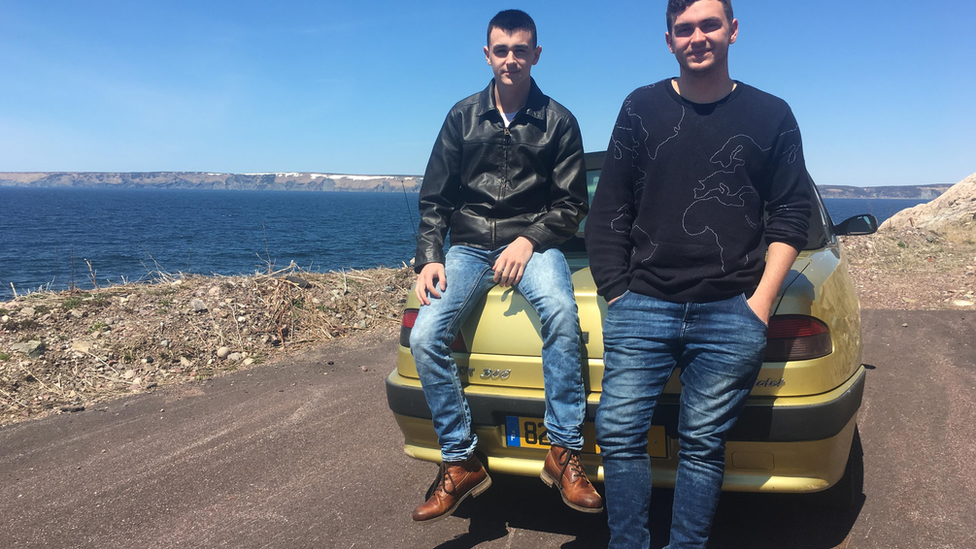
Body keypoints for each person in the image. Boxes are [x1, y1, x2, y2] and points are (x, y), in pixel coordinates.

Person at [584, 0, 813, 547]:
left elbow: (790, 216)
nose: (697, 37)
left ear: (733, 30)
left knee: (702, 444)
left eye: (709, 24)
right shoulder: (640, 107)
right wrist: (618, 293)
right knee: (617, 434)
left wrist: (758, 307)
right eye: (683, 29)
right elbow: (609, 209)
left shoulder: (772, 115)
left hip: (731, 310)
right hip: (642, 304)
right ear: (669, 40)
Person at [409, 9, 601, 523]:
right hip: (468, 248)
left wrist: (529, 240)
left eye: (521, 49)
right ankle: (462, 457)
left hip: (533, 247)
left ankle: (562, 453)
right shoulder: (461, 116)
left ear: (536, 55)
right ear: (487, 54)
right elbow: (435, 199)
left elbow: (570, 205)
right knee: (425, 337)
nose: (511, 59)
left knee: (562, 314)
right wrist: (429, 256)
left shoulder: (559, 120)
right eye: (501, 49)